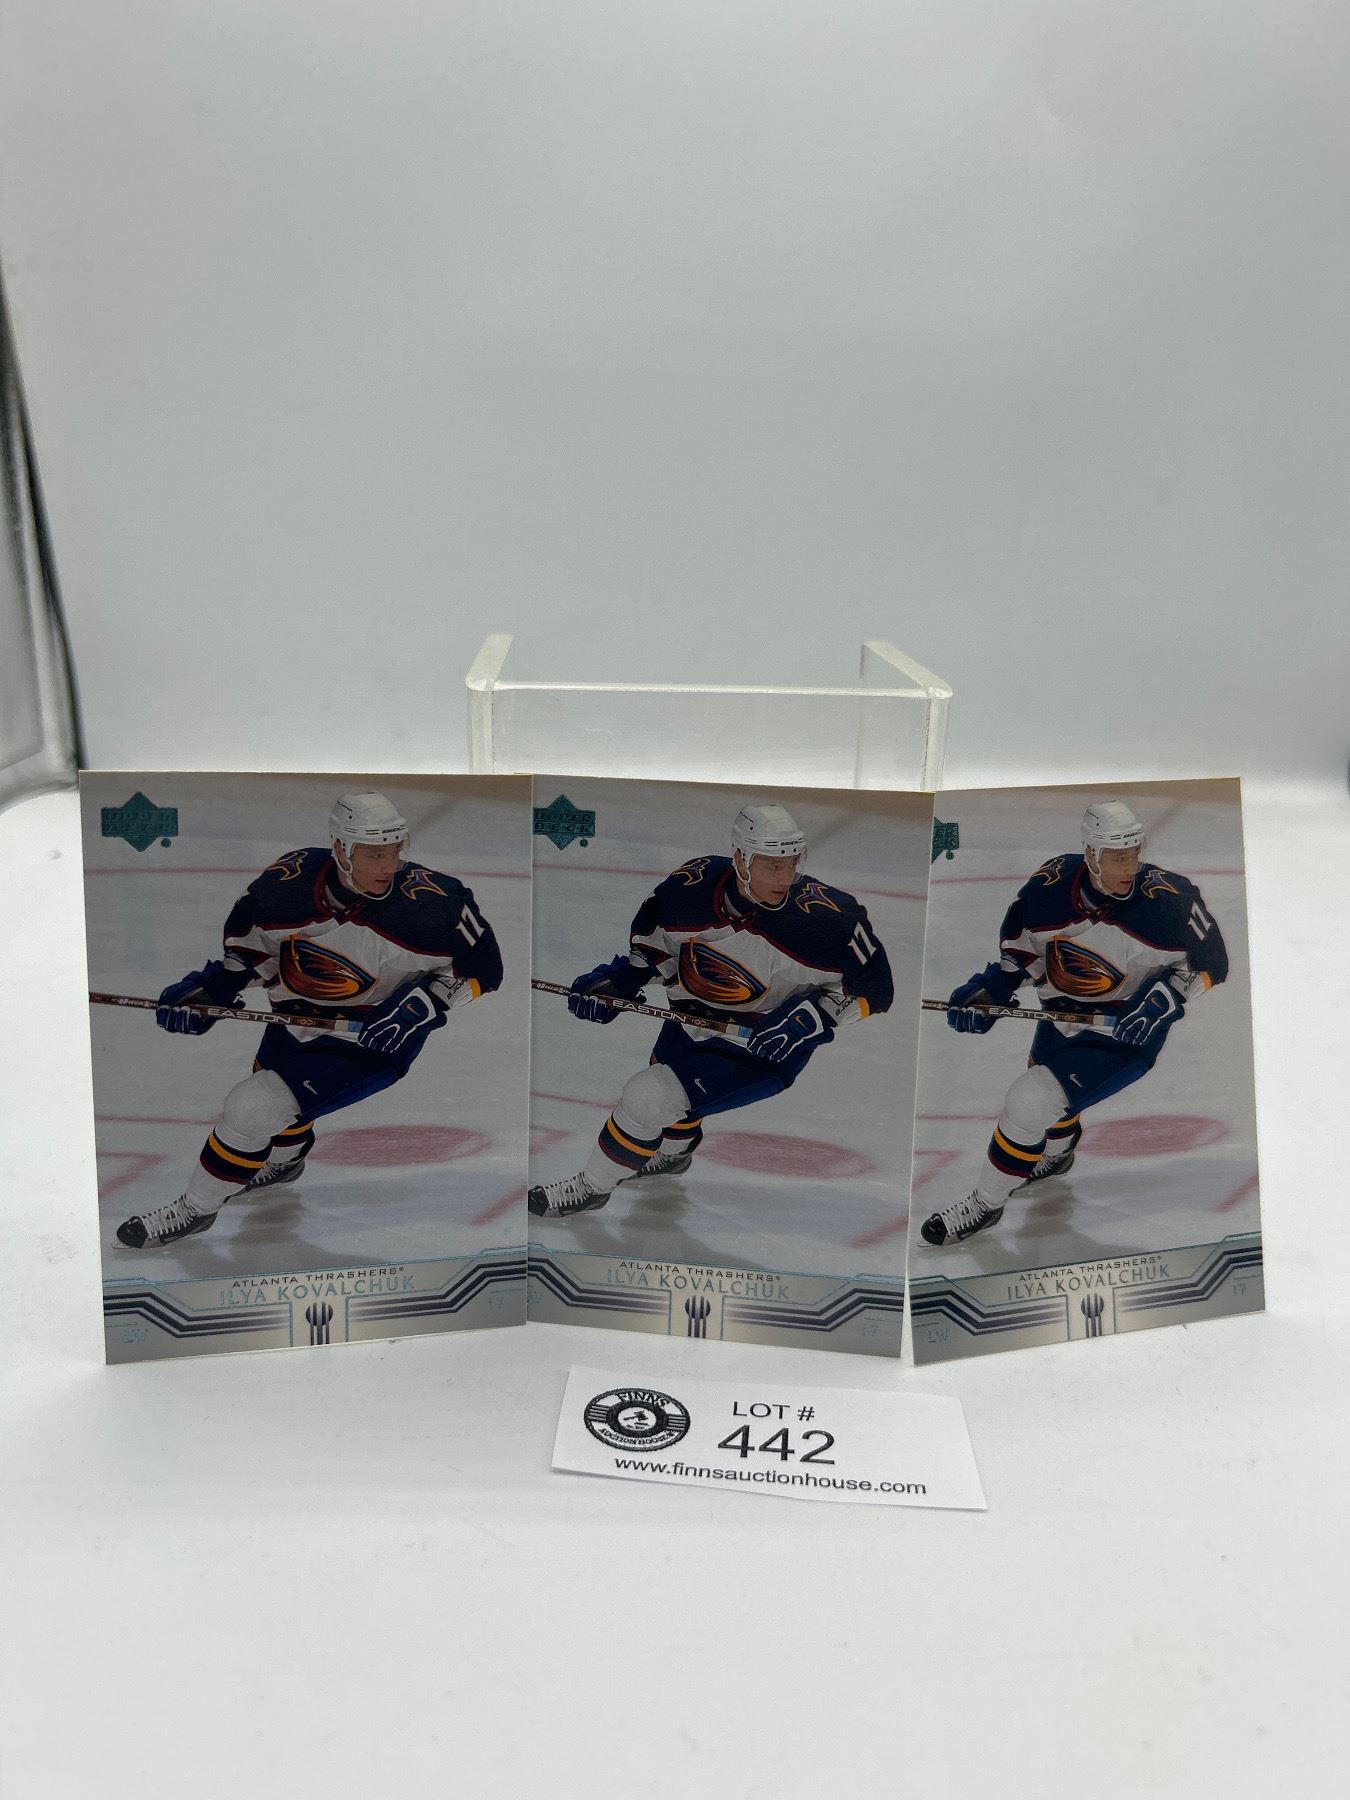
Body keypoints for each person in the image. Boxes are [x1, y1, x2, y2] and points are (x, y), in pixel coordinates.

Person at [116, 791, 503, 1248]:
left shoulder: (437, 905)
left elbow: (485, 971)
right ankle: (285, 1162)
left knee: (254, 1107)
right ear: (340, 848)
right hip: (295, 1016)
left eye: (394, 851)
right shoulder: (286, 885)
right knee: (278, 1095)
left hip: (374, 1037)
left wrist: (422, 1007)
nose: (388, 865)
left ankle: (195, 1209)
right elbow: (249, 954)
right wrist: (212, 990)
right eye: (374, 854)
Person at [528, 802, 893, 1219]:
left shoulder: (831, 922)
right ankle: (673, 1155)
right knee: (672, 1093)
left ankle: (591, 1187)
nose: (785, 877)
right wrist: (621, 982)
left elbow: (875, 989)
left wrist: (810, 1020)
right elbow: (653, 948)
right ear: (741, 858)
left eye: (792, 863)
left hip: (763, 1046)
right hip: (690, 1019)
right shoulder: (690, 888)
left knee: (649, 1097)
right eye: (772, 865)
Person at [920, 800, 1228, 1247]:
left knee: (1030, 1100)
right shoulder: (1050, 885)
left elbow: (1212, 963)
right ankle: (1059, 1154)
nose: (1130, 867)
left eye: (1134, 854)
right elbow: (1021, 952)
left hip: (1126, 1030)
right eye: (1117, 857)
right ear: (1090, 854)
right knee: (1048, 1089)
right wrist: (994, 990)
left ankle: (985, 1204)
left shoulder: (1170, 902)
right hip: (1060, 1012)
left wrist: (1163, 1000)